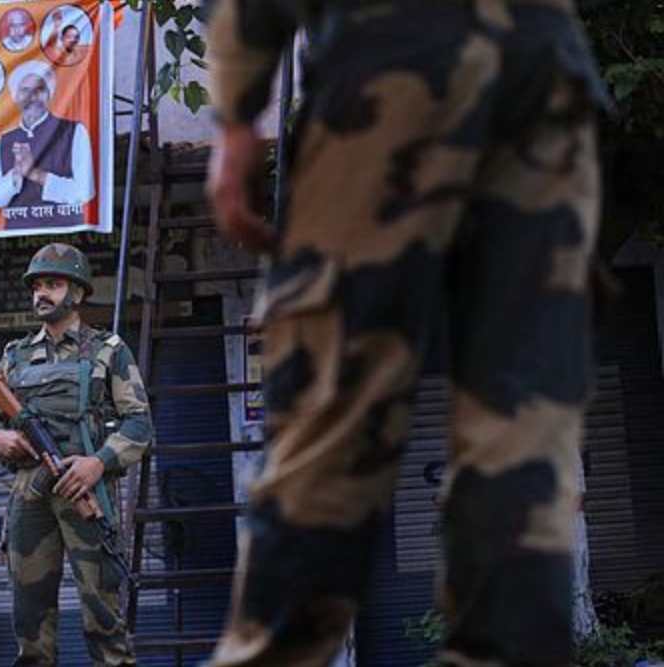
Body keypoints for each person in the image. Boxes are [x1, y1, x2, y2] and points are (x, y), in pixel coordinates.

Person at [202, 0, 608, 666]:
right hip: (540, 83)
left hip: (388, 72)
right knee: (522, 422)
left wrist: (240, 114)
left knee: (331, 415)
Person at [0, 243, 151, 667]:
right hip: (29, 497)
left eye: (52, 284)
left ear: (78, 293)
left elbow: (139, 424)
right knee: (30, 620)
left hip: (86, 494)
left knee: (103, 618)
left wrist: (99, 462)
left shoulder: (108, 349)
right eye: (37, 285)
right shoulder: (14, 356)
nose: (42, 293)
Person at [0, 61, 94, 229]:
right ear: (16, 96)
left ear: (49, 94)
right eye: (25, 90)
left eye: (39, 89)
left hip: (65, 231)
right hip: (17, 233)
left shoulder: (74, 131)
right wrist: (17, 174)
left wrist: (36, 174)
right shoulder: (5, 140)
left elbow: (84, 191)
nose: (32, 97)